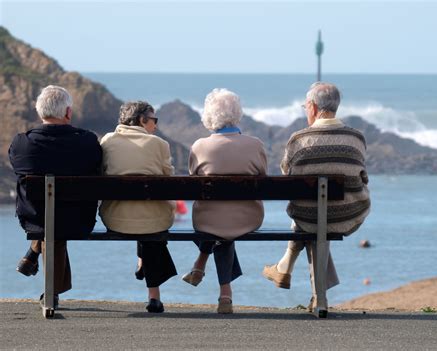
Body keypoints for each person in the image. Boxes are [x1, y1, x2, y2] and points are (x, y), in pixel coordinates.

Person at [262, 82, 370, 311]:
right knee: (322, 213)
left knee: (313, 214)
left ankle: (285, 266)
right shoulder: (356, 139)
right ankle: (319, 298)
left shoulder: (298, 140)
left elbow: (287, 176)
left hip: (306, 216)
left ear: (312, 106)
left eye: (305, 106)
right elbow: (362, 176)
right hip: (348, 213)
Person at [9, 85, 102, 308]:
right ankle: (51, 291)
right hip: (79, 219)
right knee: (57, 220)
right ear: (68, 112)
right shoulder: (88, 142)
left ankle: (40, 268)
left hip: (34, 219)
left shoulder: (22, 143)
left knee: (50, 220)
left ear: (40, 112)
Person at [182, 88, 267, 314]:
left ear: (209, 116)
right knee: (227, 223)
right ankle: (225, 292)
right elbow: (263, 174)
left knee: (218, 221)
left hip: (208, 220)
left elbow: (193, 177)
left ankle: (202, 266)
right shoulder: (255, 145)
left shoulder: (199, 146)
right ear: (237, 114)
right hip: (248, 218)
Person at [99, 101, 177, 313]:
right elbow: (168, 180)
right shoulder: (159, 144)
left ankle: (143, 262)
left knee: (142, 214)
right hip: (153, 220)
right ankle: (154, 296)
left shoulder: (107, 141)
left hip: (115, 218)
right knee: (149, 221)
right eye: (154, 120)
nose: (156, 126)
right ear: (142, 120)